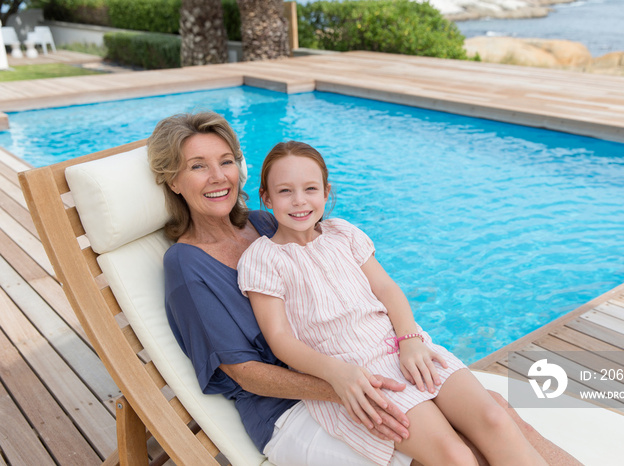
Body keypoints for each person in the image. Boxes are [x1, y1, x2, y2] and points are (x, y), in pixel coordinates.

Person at [148, 111, 580, 466]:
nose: (217, 176)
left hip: (369, 363)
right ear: (174, 180)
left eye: (225, 161)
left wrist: (405, 341)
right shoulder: (188, 267)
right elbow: (245, 371)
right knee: (462, 451)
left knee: (497, 413)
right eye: (197, 166)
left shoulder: (267, 224)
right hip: (292, 403)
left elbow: (372, 288)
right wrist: (344, 383)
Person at [236, 141, 546, 466]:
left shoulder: (343, 233)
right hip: (359, 374)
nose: (299, 201)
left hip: (403, 347)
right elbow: (280, 338)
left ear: (326, 193)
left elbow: (386, 288)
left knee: (495, 418)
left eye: (310, 188)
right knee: (455, 456)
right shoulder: (263, 259)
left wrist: (410, 339)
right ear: (267, 197)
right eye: (285, 191)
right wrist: (339, 374)